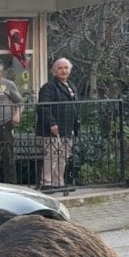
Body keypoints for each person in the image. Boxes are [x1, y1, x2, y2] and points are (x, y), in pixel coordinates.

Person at [37, 57, 80, 191]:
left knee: (63, 156)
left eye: (66, 68)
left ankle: (58, 182)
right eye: (60, 68)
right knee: (52, 155)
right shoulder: (49, 87)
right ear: (54, 71)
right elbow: (43, 107)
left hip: (67, 127)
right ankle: (47, 182)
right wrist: (52, 123)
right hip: (53, 128)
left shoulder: (71, 86)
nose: (63, 71)